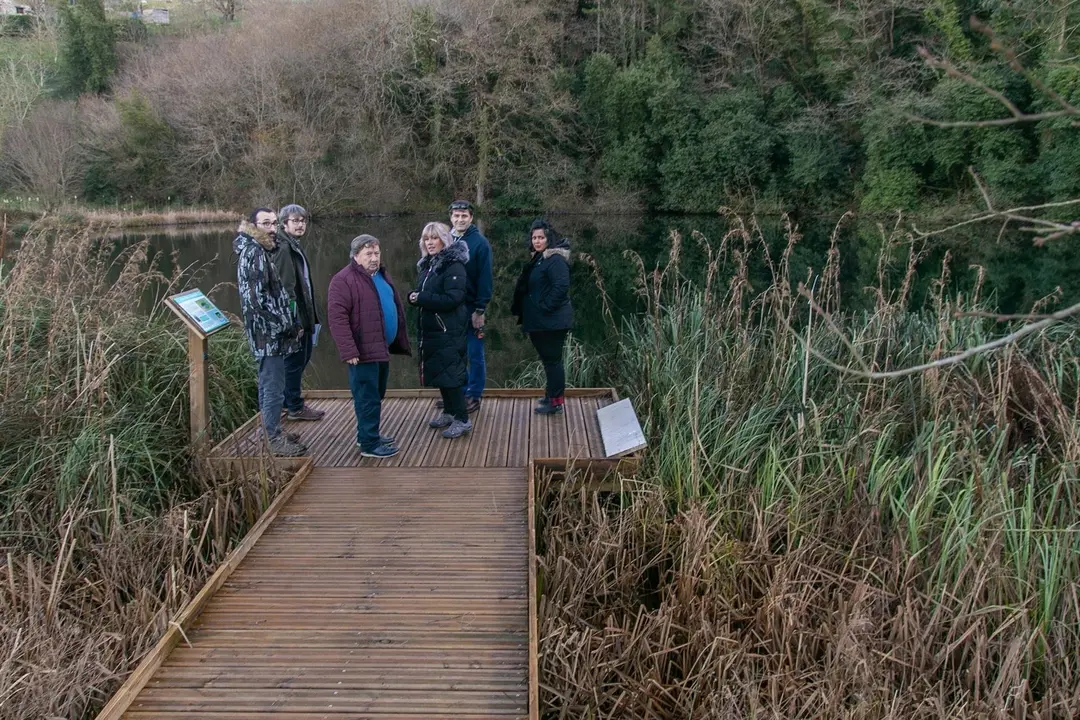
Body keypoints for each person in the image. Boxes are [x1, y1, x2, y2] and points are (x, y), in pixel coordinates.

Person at [327, 234, 411, 459]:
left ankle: (368, 433)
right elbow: (337, 318)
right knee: (367, 396)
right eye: (368, 254)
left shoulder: (380, 275)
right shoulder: (343, 280)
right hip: (362, 352)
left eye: (376, 253)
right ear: (355, 256)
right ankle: (369, 444)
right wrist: (348, 350)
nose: (374, 258)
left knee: (377, 392)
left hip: (381, 348)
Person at [234, 208, 307, 455]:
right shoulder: (254, 252)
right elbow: (256, 301)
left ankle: (271, 431)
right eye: (266, 223)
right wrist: (284, 326)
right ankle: (273, 440)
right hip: (268, 334)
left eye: (275, 223)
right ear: (253, 226)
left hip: (271, 332)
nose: (272, 228)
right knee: (273, 386)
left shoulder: (262, 250)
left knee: (271, 384)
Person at [408, 222, 472, 439]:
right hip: (432, 329)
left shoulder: (454, 265)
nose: (430, 242)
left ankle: (462, 419)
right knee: (441, 373)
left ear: (444, 240)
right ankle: (449, 411)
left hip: (449, 329)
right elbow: (424, 291)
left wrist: (422, 298)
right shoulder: (428, 264)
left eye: (434, 238)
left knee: (451, 375)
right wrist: (414, 295)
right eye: (426, 239)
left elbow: (453, 298)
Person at [511, 218, 573, 415]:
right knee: (548, 360)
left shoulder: (555, 260)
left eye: (541, 237)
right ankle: (550, 395)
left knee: (553, 361)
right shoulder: (539, 258)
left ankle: (556, 402)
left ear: (549, 238)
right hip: (541, 321)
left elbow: (561, 287)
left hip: (552, 321)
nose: (537, 241)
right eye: (534, 237)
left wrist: (545, 307)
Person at [273, 204, 324, 421]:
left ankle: (289, 403)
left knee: (302, 358)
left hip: (304, 314)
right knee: (294, 361)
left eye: (303, 220)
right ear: (284, 223)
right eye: (295, 221)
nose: (301, 224)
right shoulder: (284, 248)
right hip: (296, 317)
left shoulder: (293, 245)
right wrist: (293, 322)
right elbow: (286, 288)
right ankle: (294, 407)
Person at [448, 200, 492, 415]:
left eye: (464, 216)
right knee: (455, 353)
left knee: (475, 354)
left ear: (471, 218)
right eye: (456, 216)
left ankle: (474, 395)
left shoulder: (480, 243)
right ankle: (457, 394)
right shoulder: (446, 240)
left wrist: (480, 309)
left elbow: (485, 280)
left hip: (472, 307)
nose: (460, 219)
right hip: (450, 308)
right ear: (451, 218)